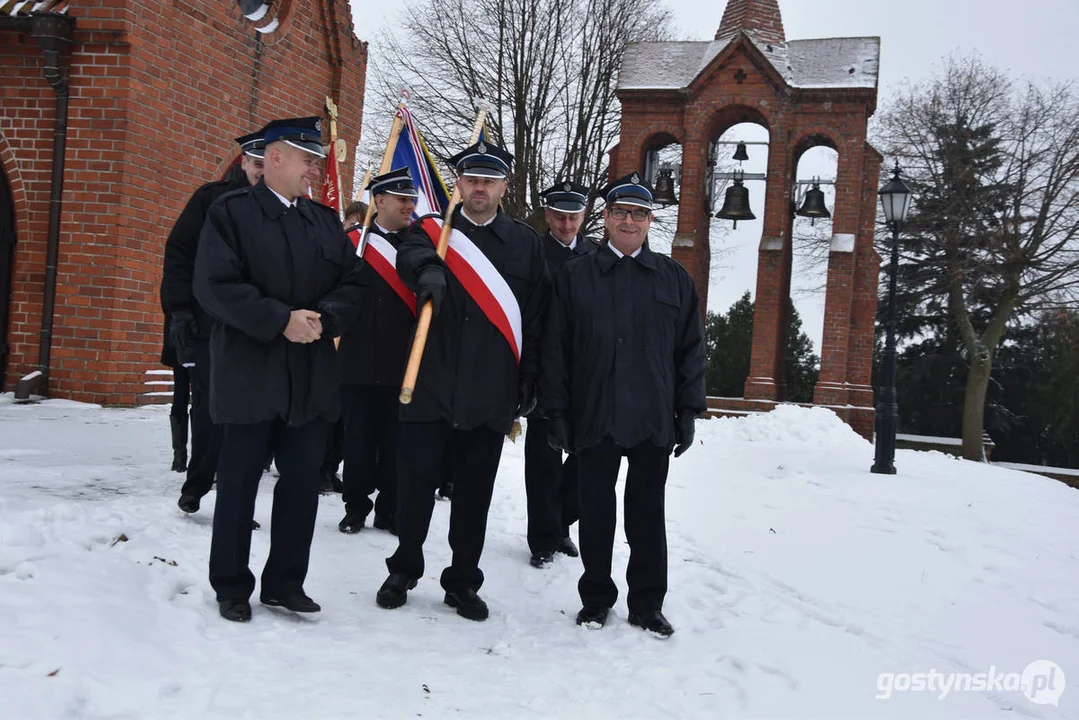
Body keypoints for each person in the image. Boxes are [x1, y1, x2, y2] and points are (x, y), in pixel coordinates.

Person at [193, 116, 364, 623]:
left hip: (309, 376)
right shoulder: (230, 213)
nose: (315, 167)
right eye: (307, 157)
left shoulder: (323, 221)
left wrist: (322, 319)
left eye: (315, 158)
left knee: (300, 483)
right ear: (275, 158)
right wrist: (279, 321)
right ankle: (231, 585)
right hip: (251, 372)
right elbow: (214, 286)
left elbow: (353, 284)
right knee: (240, 481)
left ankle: (286, 582)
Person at [376, 140, 549, 621]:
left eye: (489, 181)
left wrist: (530, 377)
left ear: (503, 187)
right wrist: (430, 269)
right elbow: (408, 257)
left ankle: (462, 581)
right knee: (415, 488)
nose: (479, 188)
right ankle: (403, 568)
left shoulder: (525, 244)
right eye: (472, 179)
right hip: (428, 381)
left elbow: (536, 318)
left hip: (490, 388)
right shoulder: (430, 231)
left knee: (474, 495)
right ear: (459, 184)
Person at [538, 171, 707, 638]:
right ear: (606, 218)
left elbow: (690, 348)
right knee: (596, 512)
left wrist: (688, 410)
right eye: (619, 212)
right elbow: (556, 348)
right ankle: (596, 598)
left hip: (653, 415)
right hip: (595, 414)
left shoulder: (673, 278)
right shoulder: (576, 277)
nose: (628, 221)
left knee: (646, 513)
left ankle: (647, 603)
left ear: (650, 221)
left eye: (638, 213)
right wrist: (556, 411)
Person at [161, 131, 265, 514]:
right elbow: (179, 255)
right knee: (208, 408)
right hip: (208, 325)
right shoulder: (210, 198)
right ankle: (197, 483)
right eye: (254, 163)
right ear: (244, 163)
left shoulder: (282, 208)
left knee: (249, 414)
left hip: (257, 327)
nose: (259, 171)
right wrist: (179, 310)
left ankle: (237, 500)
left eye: (264, 164)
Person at [336, 168, 417, 535]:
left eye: (412, 199)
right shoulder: (354, 242)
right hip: (358, 360)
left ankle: (391, 509)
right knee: (358, 441)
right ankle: (355, 507)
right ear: (379, 200)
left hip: (405, 362)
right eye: (401, 199)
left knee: (398, 443)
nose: (409, 206)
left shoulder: (424, 243)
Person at [524, 180, 597, 568]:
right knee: (544, 459)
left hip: (585, 372)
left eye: (573, 217)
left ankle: (562, 522)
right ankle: (542, 538)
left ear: (583, 216)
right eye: (559, 216)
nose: (567, 225)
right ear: (547, 215)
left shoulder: (597, 254)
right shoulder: (532, 253)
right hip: (543, 368)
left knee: (586, 455)